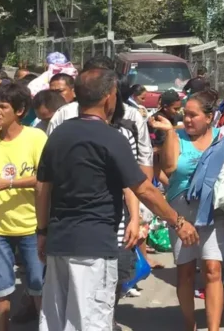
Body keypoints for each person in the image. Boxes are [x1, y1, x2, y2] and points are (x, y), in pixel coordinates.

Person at [36, 68, 197, 331]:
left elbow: (42, 188)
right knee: (90, 322)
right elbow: (144, 188)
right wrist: (178, 220)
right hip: (94, 248)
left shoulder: (58, 135)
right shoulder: (112, 138)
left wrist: (42, 232)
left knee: (56, 320)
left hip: (58, 244)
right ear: (109, 97)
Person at [0, 82, 47, 331]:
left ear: (20, 110)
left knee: (38, 284)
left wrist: (10, 183)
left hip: (31, 226)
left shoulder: (36, 138)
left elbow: (46, 178)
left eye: (3, 106)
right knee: (0, 287)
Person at [159, 89, 224, 331]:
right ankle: (190, 325)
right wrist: (169, 132)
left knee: (212, 269)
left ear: (209, 118)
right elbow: (167, 168)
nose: (187, 119)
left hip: (213, 213)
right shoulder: (176, 137)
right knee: (186, 273)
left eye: (193, 115)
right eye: (184, 114)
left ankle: (213, 329)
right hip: (180, 213)